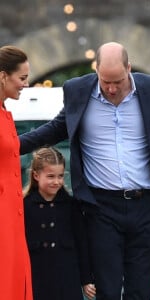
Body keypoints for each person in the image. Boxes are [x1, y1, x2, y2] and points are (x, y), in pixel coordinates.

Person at [19, 41, 150, 300]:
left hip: (145, 205)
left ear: (129, 68)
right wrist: (11, 144)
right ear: (96, 71)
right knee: (107, 289)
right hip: (101, 207)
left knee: (140, 290)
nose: (111, 88)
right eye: (105, 81)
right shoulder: (78, 90)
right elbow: (53, 129)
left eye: (117, 80)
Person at [23, 147, 96, 300]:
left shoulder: (71, 205)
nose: (56, 181)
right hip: (36, 277)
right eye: (50, 176)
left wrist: (86, 279)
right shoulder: (24, 206)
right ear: (36, 175)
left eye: (60, 176)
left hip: (67, 277)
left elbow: (81, 242)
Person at [0, 45, 33, 300]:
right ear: (3, 76)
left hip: (12, 215)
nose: (26, 84)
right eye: (21, 78)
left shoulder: (4, 112)